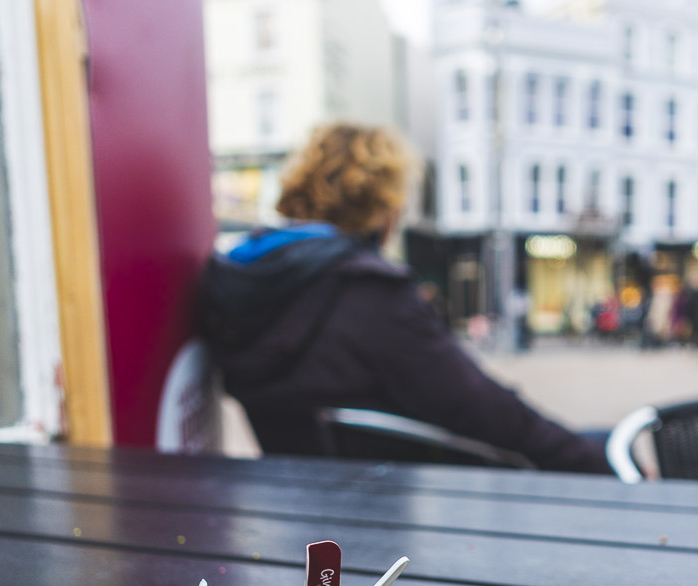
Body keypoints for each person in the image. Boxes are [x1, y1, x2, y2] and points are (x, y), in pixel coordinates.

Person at [197, 123, 612, 474]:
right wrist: (596, 462)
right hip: (393, 507)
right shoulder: (366, 293)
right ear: (384, 206)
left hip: (299, 493)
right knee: (604, 444)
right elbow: (482, 409)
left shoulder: (240, 279)